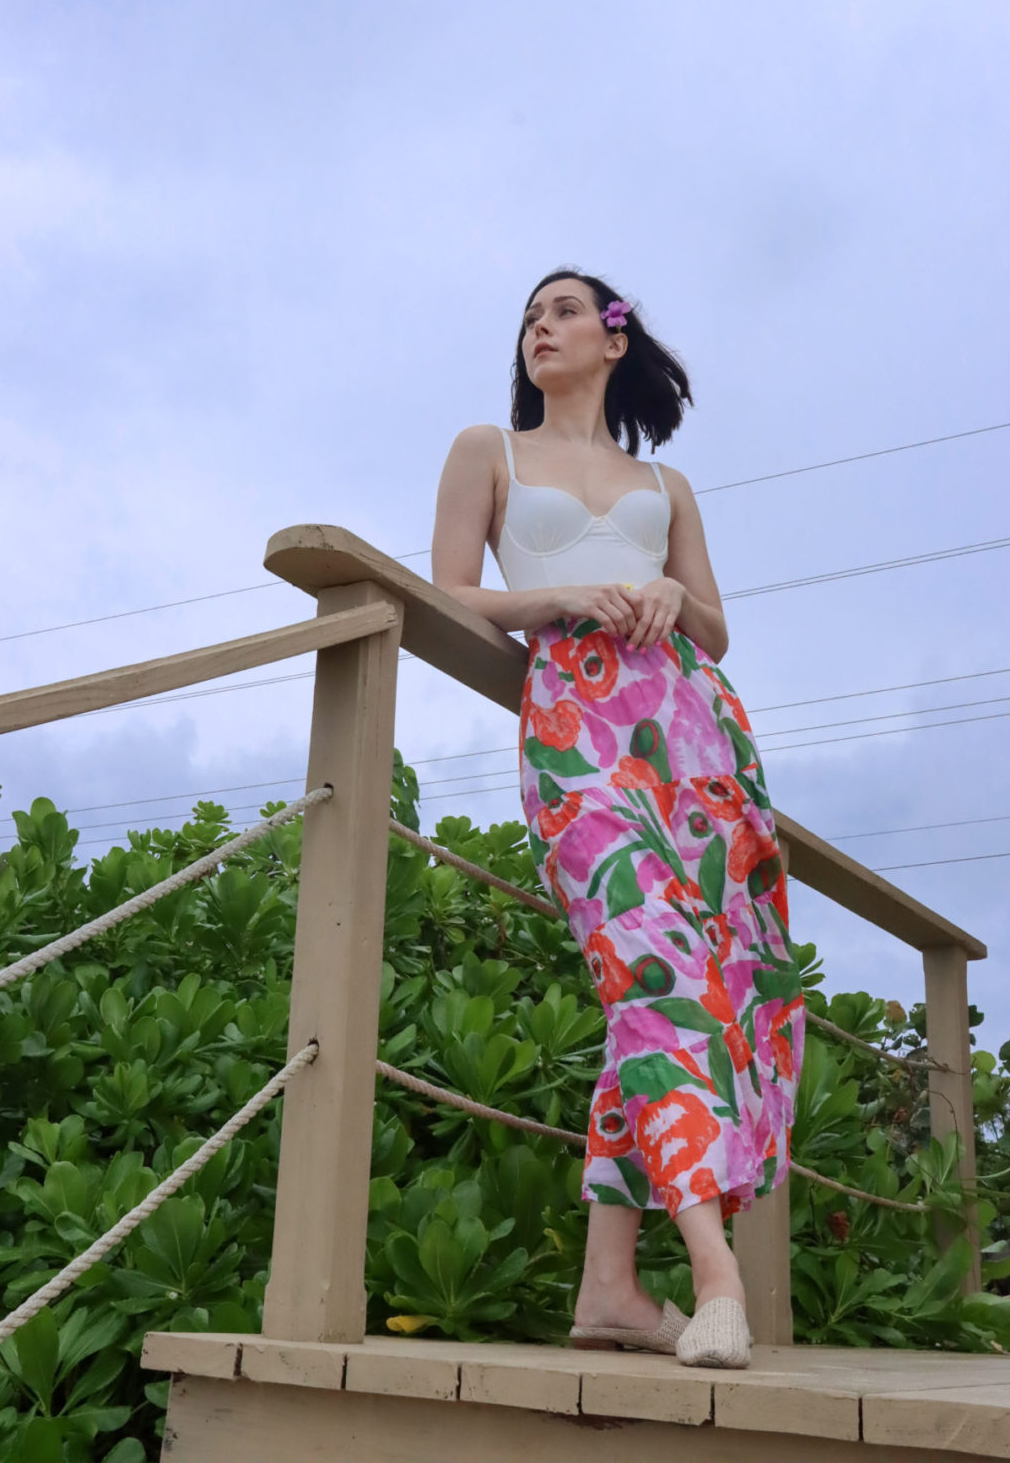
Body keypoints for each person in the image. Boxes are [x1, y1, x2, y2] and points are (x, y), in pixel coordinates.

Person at [430, 267, 805, 1370]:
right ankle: (715, 1273)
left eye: (561, 311)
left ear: (612, 335)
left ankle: (609, 1288)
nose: (539, 328)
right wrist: (559, 597)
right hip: (576, 726)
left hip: (693, 731)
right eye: (529, 318)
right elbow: (449, 589)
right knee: (649, 967)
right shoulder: (486, 451)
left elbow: (717, 627)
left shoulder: (665, 481)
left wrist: (671, 599)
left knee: (706, 978)